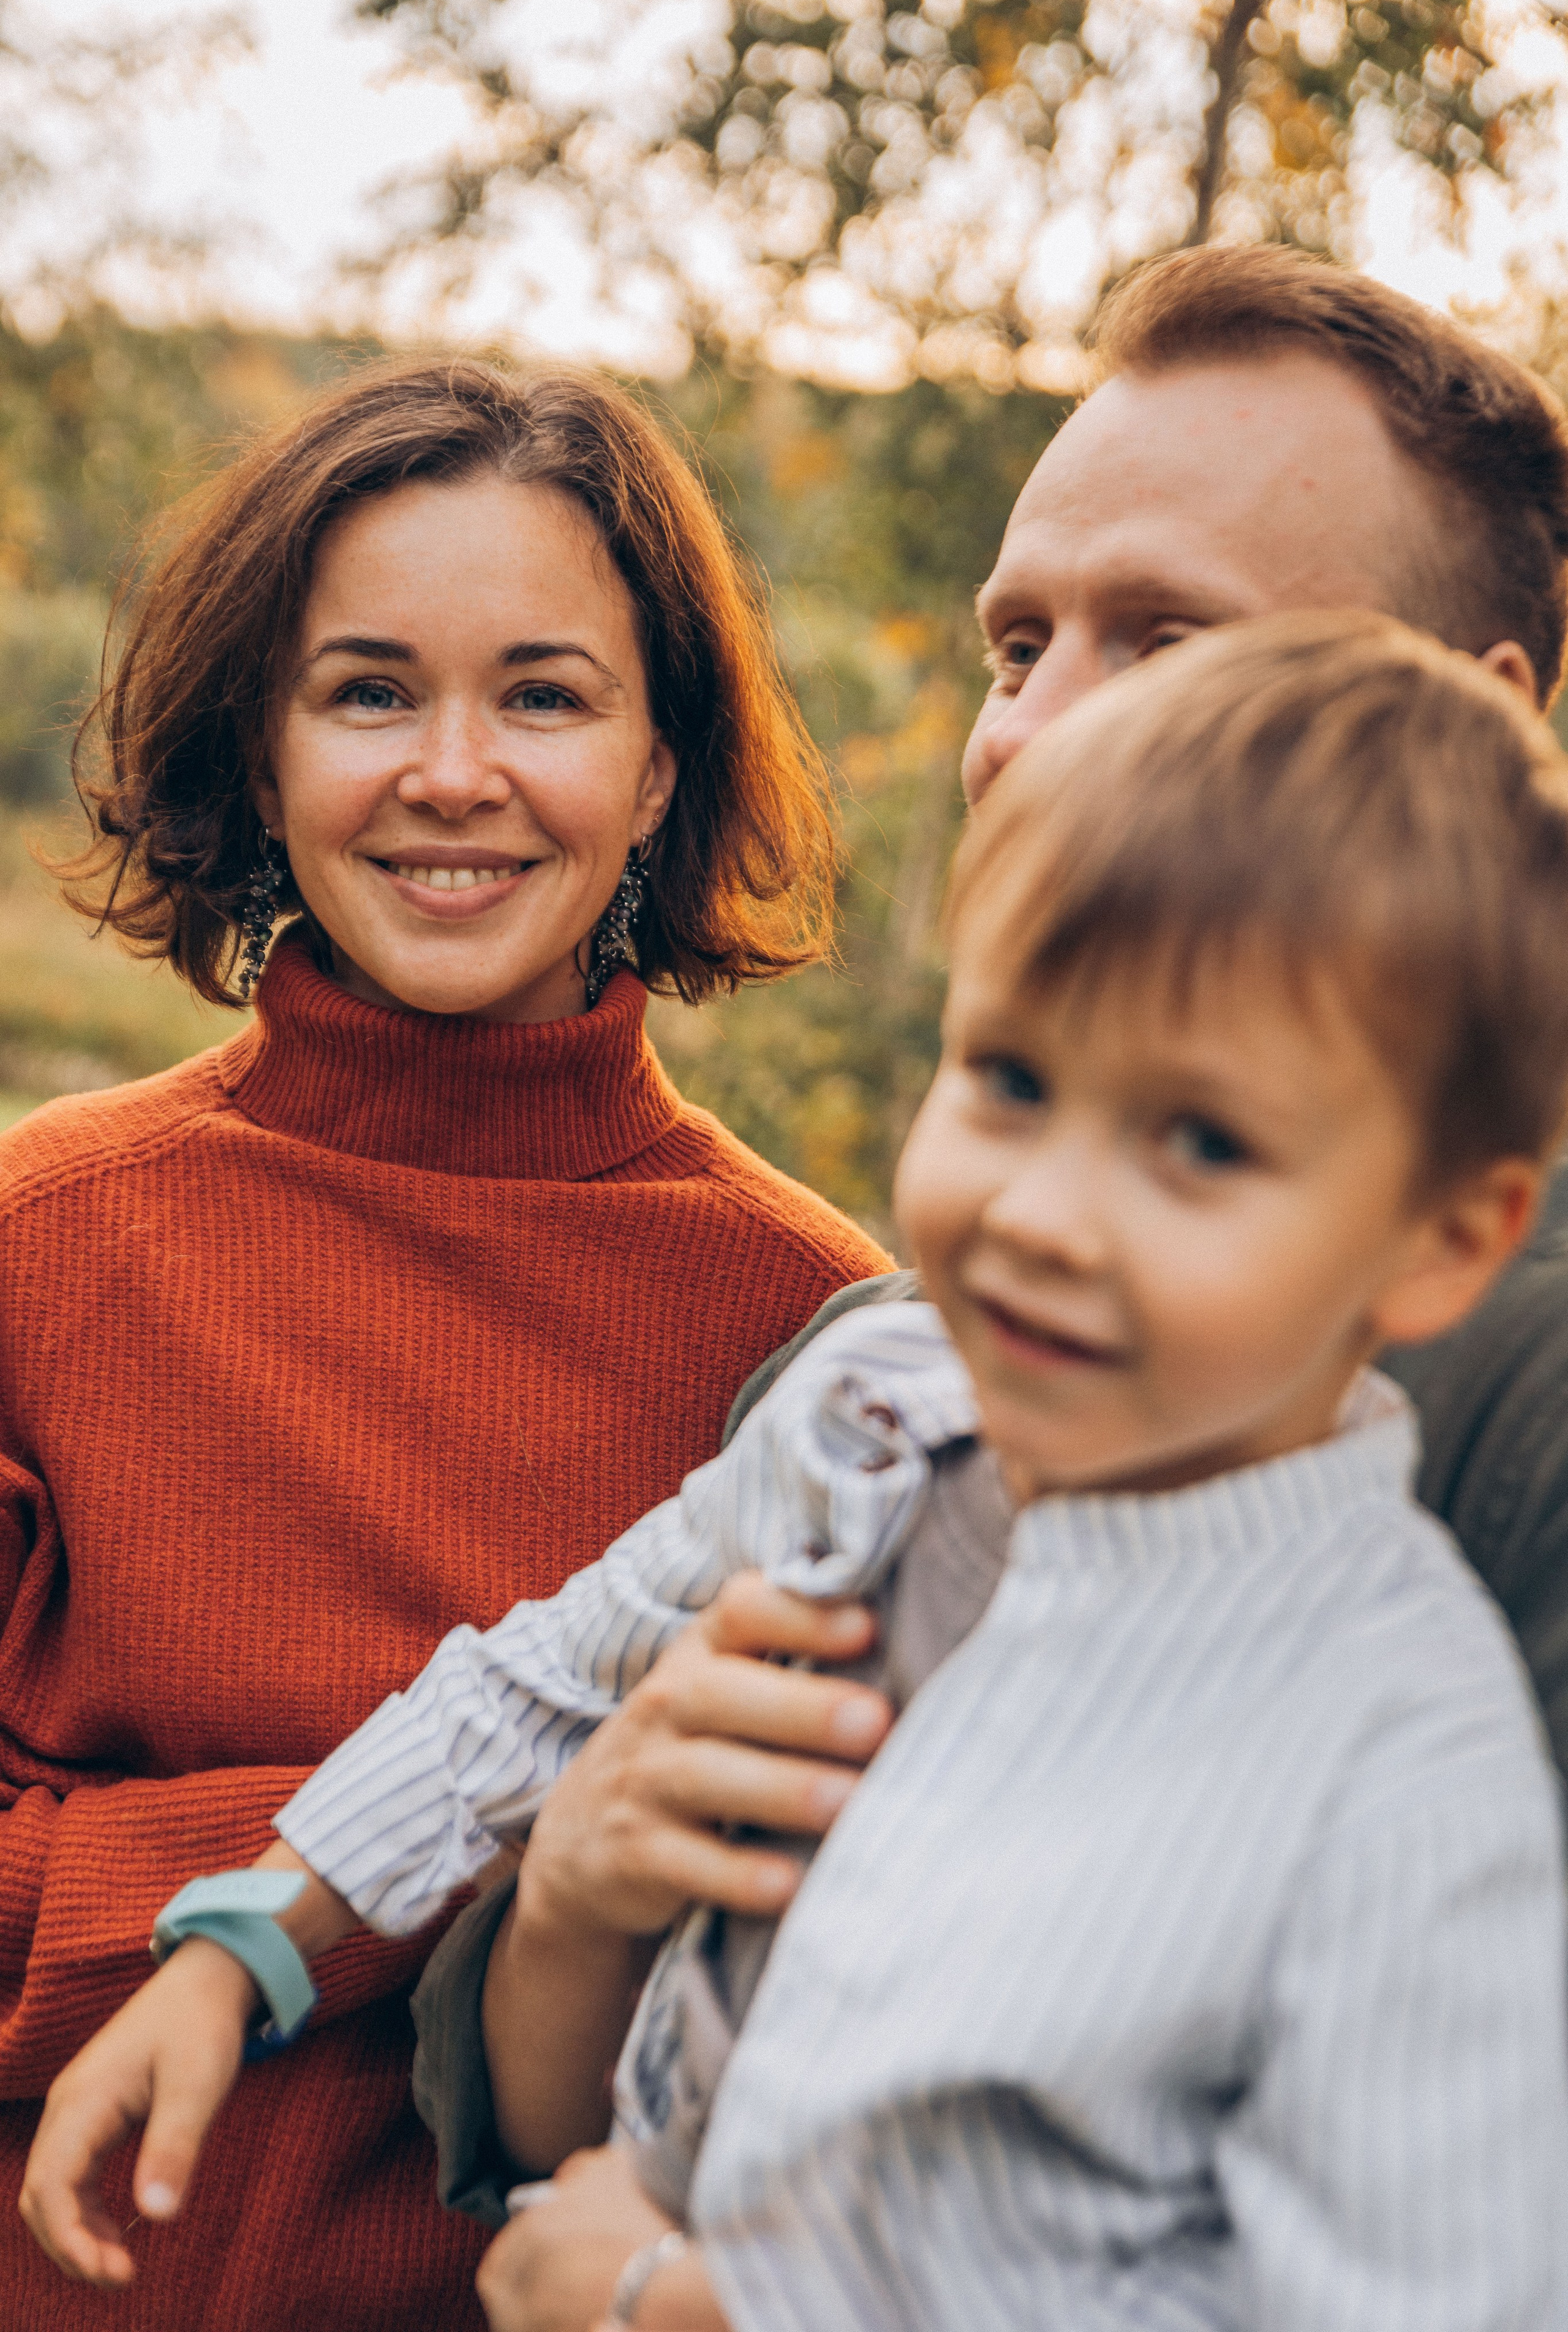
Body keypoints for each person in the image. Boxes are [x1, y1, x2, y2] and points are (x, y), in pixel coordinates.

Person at [39, 615, 1568, 2329]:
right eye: (1009, 1081)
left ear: (1445, 1240)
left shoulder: (1395, 1755)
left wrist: (691, 2306)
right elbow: (551, 1673)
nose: (1042, 1214)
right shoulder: (887, 1399)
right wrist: (251, 1939)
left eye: (1202, 1144)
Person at [0, 357, 892, 2330]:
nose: (453, 773)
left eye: (547, 695)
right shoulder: (39, 1242)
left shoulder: (813, 1335)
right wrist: (412, 1841)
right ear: (262, 742)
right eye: (372, 689)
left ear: (662, 766)